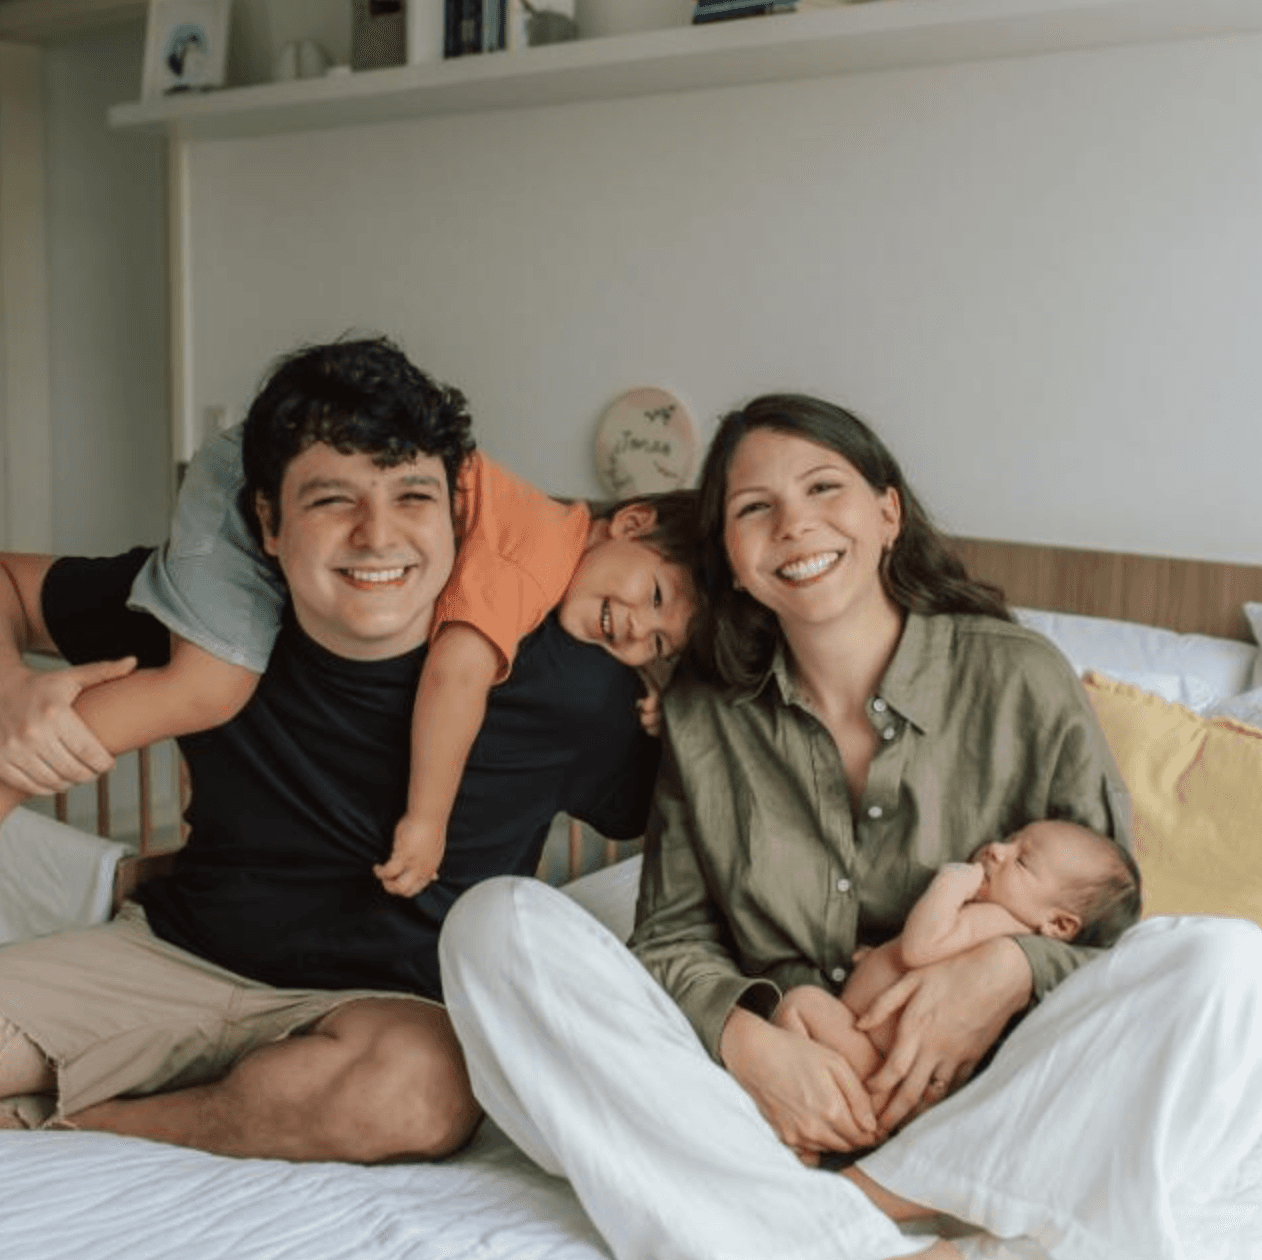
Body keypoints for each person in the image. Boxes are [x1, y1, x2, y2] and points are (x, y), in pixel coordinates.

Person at [437, 392, 1142, 1260]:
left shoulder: (1020, 678)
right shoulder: (703, 713)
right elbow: (672, 939)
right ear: (730, 560)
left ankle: (821, 1211)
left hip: (994, 1096)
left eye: (823, 488)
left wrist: (1006, 968)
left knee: (1228, 969)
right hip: (765, 1110)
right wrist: (750, 1040)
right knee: (490, 926)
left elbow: (1115, 939)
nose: (794, 525)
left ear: (887, 514)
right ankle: (839, 1233)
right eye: (753, 508)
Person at [0, 337, 697, 1162]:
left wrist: (682, 704)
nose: (377, 536)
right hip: (172, 959)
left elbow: (701, 814)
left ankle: (88, 1124)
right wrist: (10, 687)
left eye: (412, 497)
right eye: (333, 500)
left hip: (384, 1017)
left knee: (417, 1093)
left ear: (456, 512)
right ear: (269, 522)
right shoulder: (211, 616)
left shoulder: (575, 682)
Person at [0, 357, 692, 901]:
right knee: (208, 686)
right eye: (654, 595)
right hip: (262, 458)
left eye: (660, 644)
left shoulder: (544, 571)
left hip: (275, 456)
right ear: (630, 521)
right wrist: (426, 822)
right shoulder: (530, 558)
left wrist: (673, 696)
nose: (636, 631)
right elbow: (455, 675)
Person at [774, 820, 1141, 1084]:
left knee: (799, 1005)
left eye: (1021, 860)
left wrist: (950, 883)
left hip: (876, 1060)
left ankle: (818, 1116)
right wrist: (876, 961)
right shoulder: (994, 925)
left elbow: (918, 949)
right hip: (875, 1055)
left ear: (1059, 925)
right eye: (1011, 840)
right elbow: (922, 960)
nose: (996, 849)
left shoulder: (995, 921)